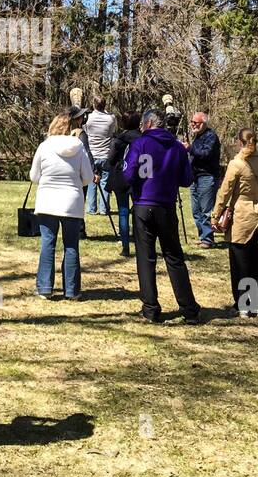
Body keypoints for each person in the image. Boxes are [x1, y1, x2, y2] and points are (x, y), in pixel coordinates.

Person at [120, 109, 202, 324]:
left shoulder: (139, 144)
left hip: (143, 204)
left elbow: (128, 174)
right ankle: (189, 308)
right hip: (166, 206)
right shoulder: (176, 146)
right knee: (174, 257)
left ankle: (150, 308)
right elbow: (186, 179)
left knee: (146, 259)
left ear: (147, 124)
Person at [28, 110, 94, 299]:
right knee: (71, 245)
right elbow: (88, 177)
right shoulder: (79, 147)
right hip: (71, 200)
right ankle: (72, 290)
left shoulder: (44, 146)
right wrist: (74, 183)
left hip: (48, 200)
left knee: (48, 243)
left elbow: (34, 176)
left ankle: (45, 288)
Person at [212, 129, 258, 318]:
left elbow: (224, 192)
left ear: (240, 142)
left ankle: (243, 305)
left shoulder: (236, 164)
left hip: (241, 216)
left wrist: (216, 215)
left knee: (240, 262)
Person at [105, 112, 142, 258]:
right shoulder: (143, 139)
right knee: (139, 211)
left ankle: (125, 246)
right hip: (138, 177)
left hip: (120, 177)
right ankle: (141, 244)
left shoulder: (118, 139)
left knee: (123, 212)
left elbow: (111, 160)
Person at [186, 113, 221, 248]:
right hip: (195, 177)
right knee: (196, 210)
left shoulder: (211, 137)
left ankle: (208, 239)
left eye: (196, 122)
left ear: (204, 123)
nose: (193, 124)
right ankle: (202, 235)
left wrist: (190, 148)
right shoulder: (198, 137)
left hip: (207, 176)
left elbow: (205, 154)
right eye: (192, 122)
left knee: (206, 210)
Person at [83, 96, 117, 216]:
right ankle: (104, 209)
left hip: (92, 154)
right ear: (105, 105)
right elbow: (112, 133)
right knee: (104, 182)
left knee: (91, 181)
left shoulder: (89, 118)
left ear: (94, 104)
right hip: (106, 153)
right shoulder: (111, 119)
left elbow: (85, 131)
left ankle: (92, 208)